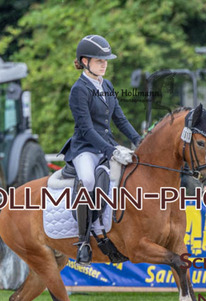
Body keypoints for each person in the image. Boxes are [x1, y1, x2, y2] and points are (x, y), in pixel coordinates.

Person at [59, 35, 141, 265]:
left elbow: (120, 119)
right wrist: (111, 150)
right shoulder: (79, 90)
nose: (104, 64)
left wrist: (140, 141)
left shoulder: (107, 85)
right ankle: (84, 241)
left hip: (106, 146)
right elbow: (86, 129)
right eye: (99, 60)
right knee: (87, 180)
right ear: (85, 61)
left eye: (105, 60)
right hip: (85, 148)